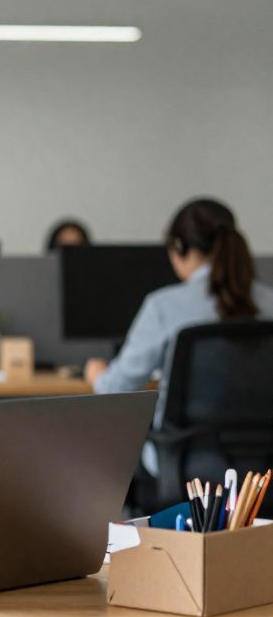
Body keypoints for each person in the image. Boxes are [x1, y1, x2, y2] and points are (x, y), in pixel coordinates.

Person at [85, 198, 273, 475]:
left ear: (179, 247)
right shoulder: (269, 302)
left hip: (184, 465)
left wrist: (96, 374)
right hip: (262, 471)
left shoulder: (163, 306)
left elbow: (116, 388)